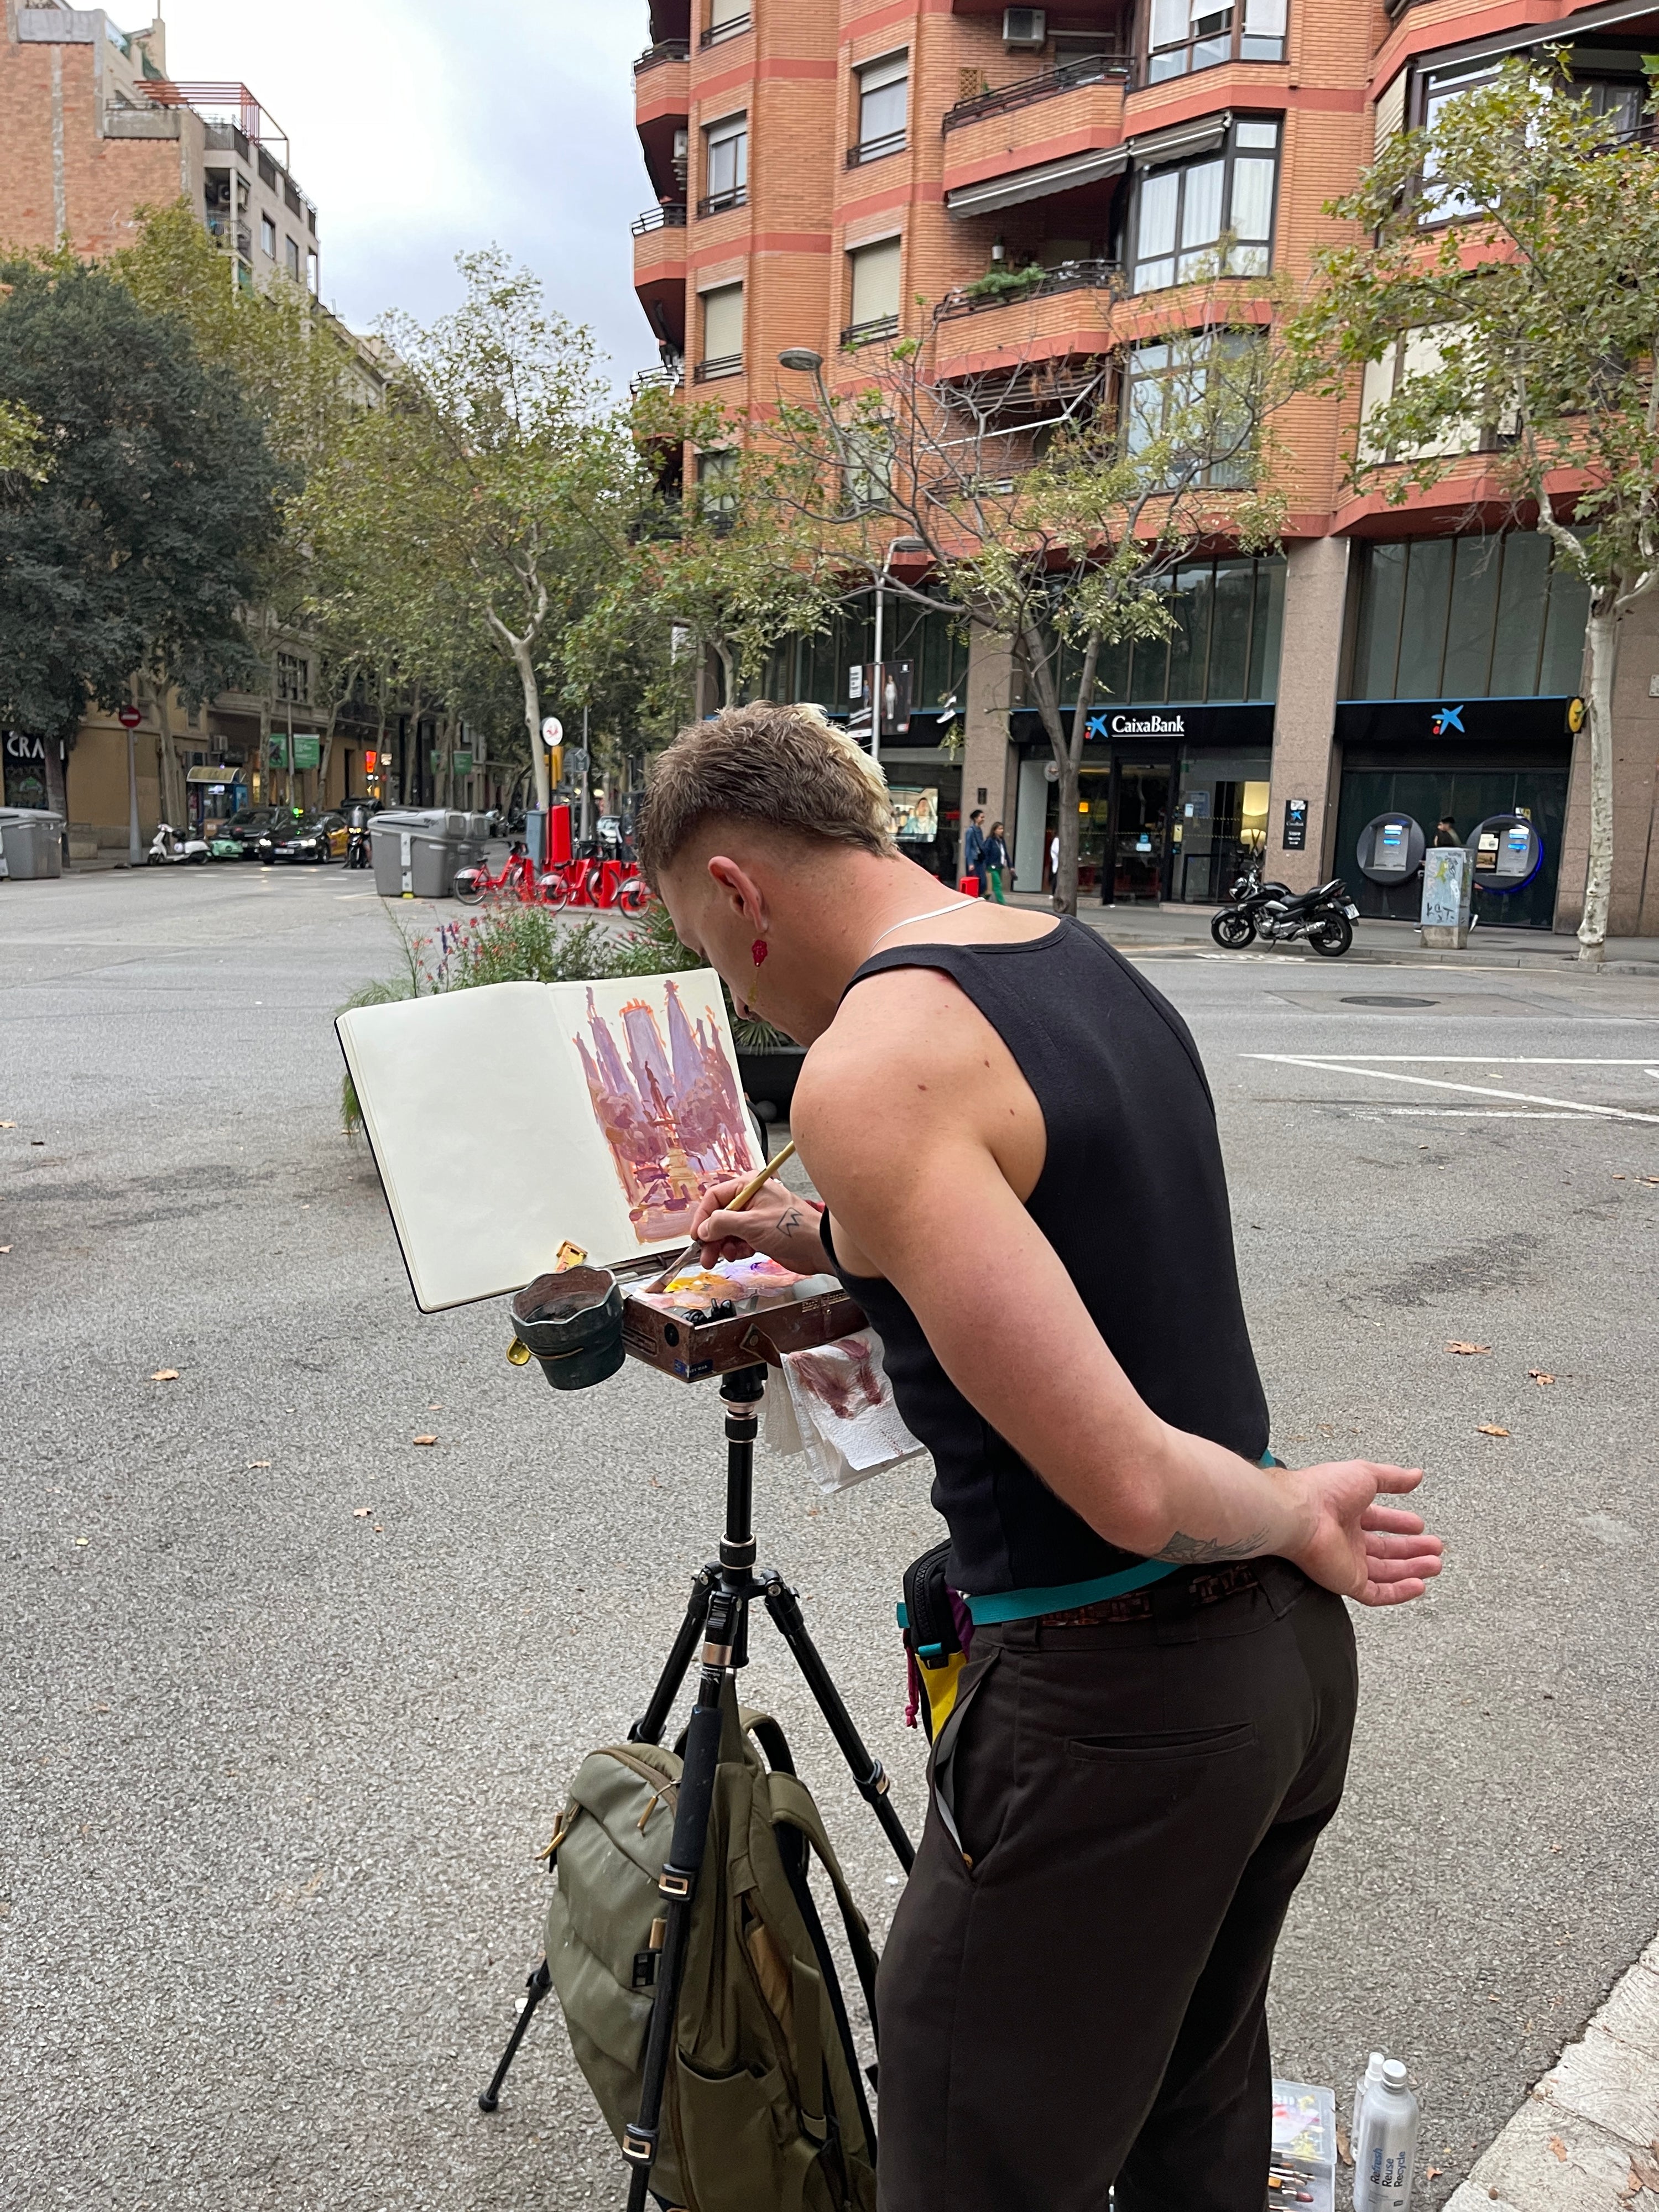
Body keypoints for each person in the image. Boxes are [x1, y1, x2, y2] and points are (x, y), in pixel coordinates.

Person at [639, 703, 1443, 2212]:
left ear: (742, 894)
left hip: (1112, 1708)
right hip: (1271, 1689)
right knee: (1188, 2117)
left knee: (968, 2151)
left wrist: (1295, 1512)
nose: (730, 986)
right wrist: (804, 1235)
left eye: (704, 943)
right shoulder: (1071, 964)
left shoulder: (869, 1067)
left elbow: (1131, 1483)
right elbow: (1024, 1219)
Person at [982, 819, 1009, 903]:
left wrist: (1010, 866)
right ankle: (1003, 904)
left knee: (991, 888)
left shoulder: (1002, 841)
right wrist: (985, 866)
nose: (1002, 831)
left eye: (1002, 829)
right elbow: (985, 854)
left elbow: (1005, 854)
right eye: (1000, 829)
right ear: (995, 830)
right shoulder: (990, 841)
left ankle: (983, 898)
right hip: (992, 867)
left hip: (999, 867)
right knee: (997, 885)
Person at [963, 806, 986, 894]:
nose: (983, 819)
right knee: (974, 881)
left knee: (982, 882)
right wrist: (970, 863)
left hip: (980, 859)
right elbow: (968, 847)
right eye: (981, 817)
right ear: (976, 818)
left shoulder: (979, 830)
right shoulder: (970, 831)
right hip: (973, 859)